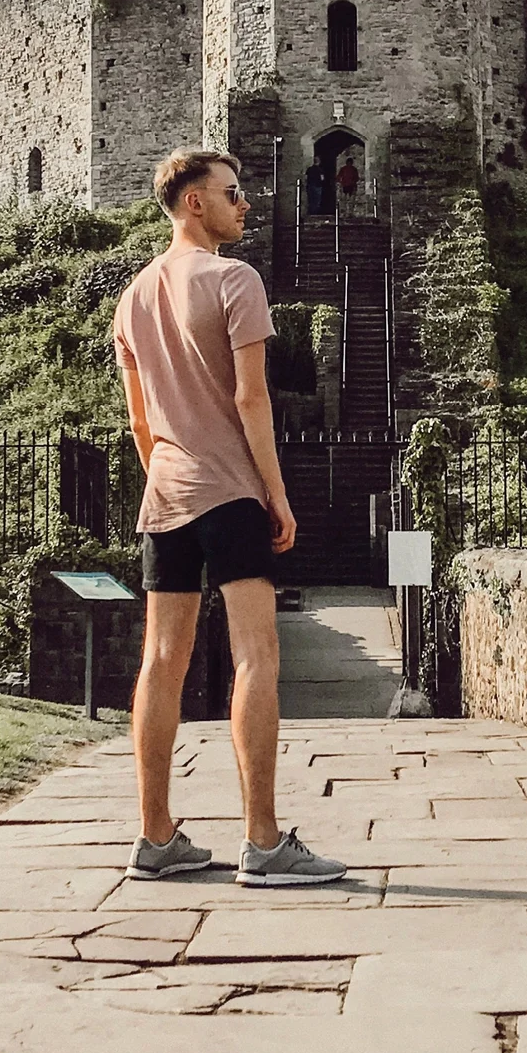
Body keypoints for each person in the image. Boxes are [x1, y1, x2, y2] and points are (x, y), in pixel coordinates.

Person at [110, 147, 348, 888]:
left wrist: (168, 477)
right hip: (230, 492)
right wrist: (274, 493)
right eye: (232, 193)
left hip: (166, 496)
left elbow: (140, 421)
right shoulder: (234, 279)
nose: (245, 204)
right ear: (194, 203)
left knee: (160, 661)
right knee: (256, 658)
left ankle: (155, 837)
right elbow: (251, 398)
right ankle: (265, 844)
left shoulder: (133, 296)